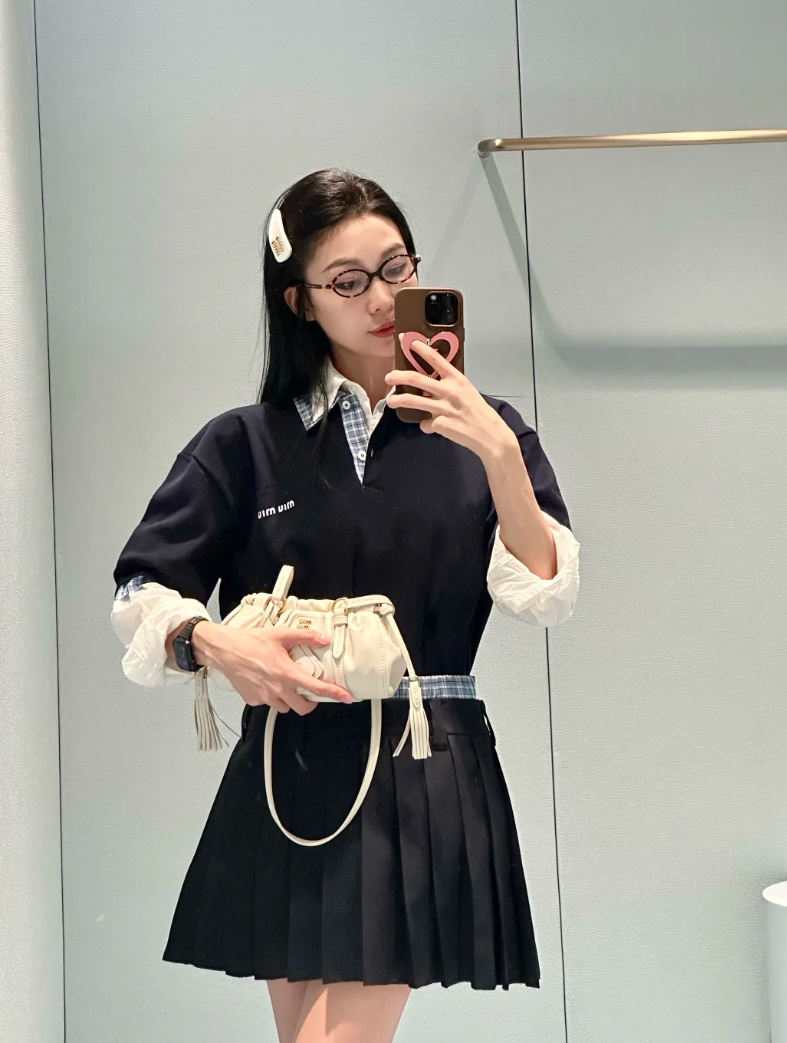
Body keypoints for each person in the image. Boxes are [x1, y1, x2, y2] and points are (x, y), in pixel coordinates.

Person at [110, 168, 580, 1043]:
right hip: (286, 760)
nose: (383, 298)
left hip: (422, 760)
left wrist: (498, 453)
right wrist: (216, 644)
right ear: (300, 301)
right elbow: (143, 590)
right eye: (350, 281)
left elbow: (545, 590)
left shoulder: (488, 429)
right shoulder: (244, 443)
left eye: (397, 268)